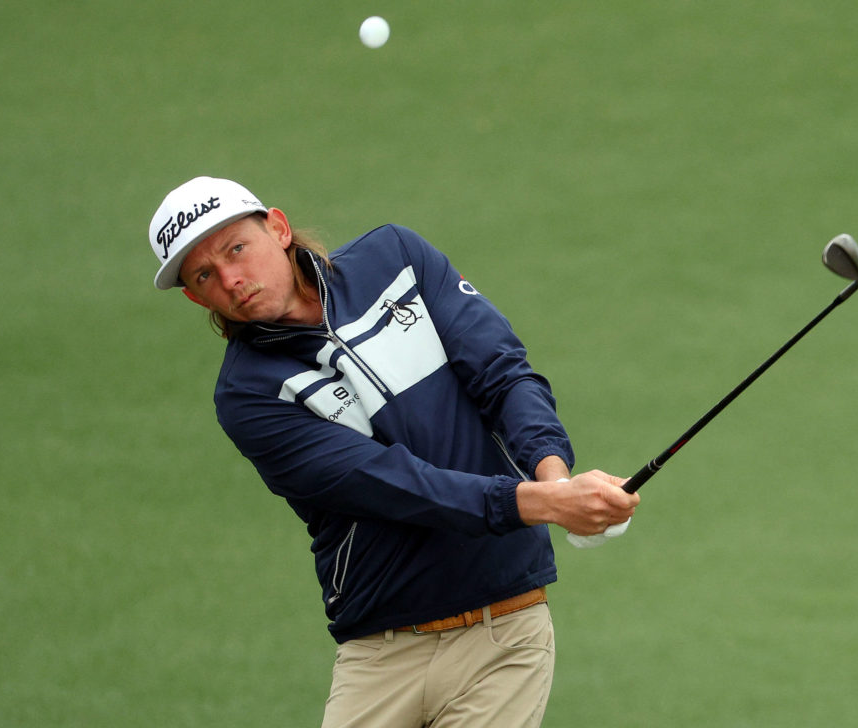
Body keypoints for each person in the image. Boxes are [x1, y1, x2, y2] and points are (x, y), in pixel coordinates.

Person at [147, 176, 640, 727]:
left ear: (279, 229)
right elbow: (392, 483)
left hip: (503, 629)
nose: (232, 279)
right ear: (195, 297)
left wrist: (554, 477)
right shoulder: (248, 395)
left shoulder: (396, 258)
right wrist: (544, 504)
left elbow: (501, 373)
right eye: (206, 275)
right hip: (380, 653)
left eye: (236, 248)